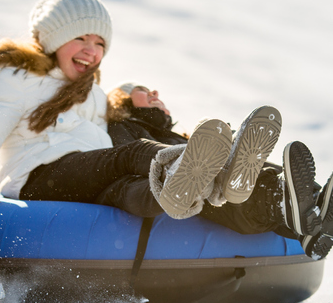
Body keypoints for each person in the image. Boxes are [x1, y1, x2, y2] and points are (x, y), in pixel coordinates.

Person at [0, 0, 282, 239]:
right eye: (82, 39)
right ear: (54, 38)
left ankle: (213, 182)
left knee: (128, 189)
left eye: (100, 43)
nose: (91, 51)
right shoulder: (17, 78)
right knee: (133, 156)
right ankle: (216, 178)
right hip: (40, 177)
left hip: (88, 174)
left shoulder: (94, 93)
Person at [106, 81, 332, 259]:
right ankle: (287, 206)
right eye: (142, 90)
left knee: (250, 170)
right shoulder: (123, 127)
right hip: (180, 186)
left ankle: (311, 204)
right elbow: (132, 161)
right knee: (217, 184)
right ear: (121, 101)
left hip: (212, 177)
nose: (154, 91)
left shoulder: (177, 134)